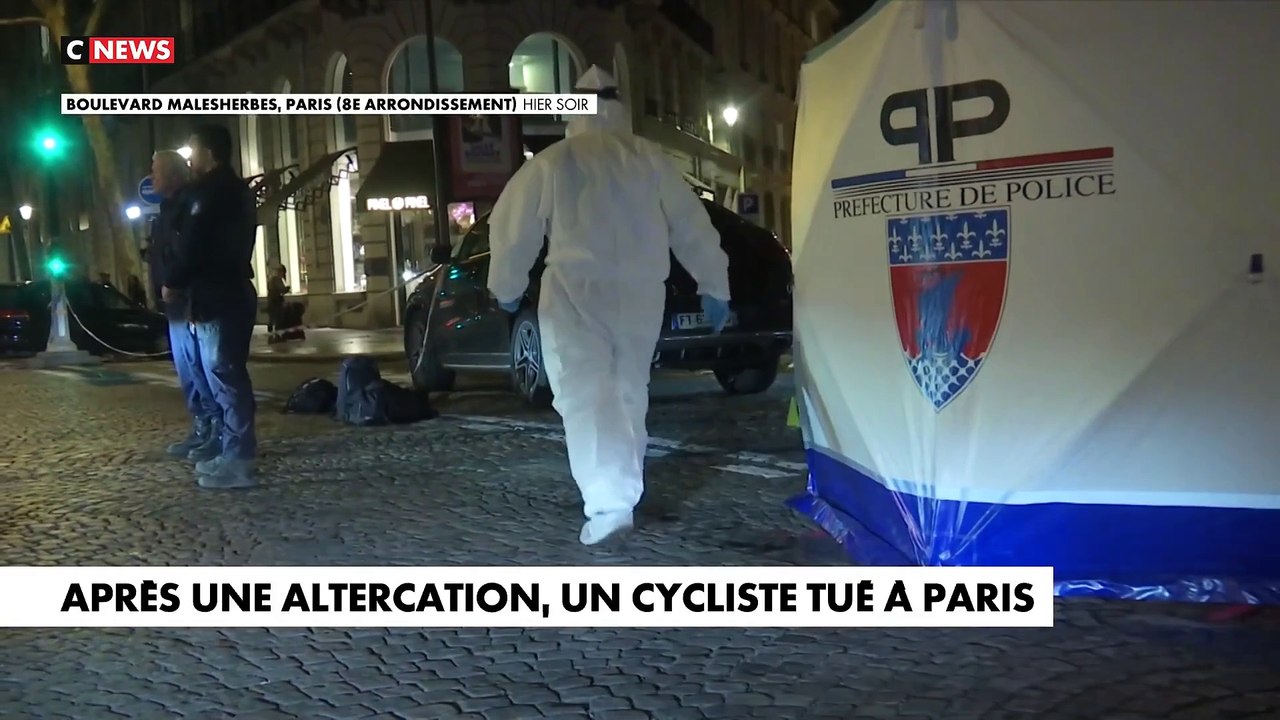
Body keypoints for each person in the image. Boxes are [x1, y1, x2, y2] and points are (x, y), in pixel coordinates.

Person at [486, 66, 732, 546]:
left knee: (585, 393)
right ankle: (621, 492)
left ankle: (610, 504)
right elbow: (691, 224)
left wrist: (507, 286)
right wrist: (714, 284)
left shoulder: (554, 162)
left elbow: (512, 229)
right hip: (642, 292)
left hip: (576, 290)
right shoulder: (649, 159)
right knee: (626, 392)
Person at [163, 124, 260, 489]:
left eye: (195, 150)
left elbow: (195, 244)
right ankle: (233, 450)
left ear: (210, 153)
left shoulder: (212, 193)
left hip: (218, 295)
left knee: (226, 376)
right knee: (224, 377)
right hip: (221, 293)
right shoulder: (229, 190)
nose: (192, 158)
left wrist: (173, 280)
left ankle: (239, 458)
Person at [148, 149, 223, 462]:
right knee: (187, 372)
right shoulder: (167, 210)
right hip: (174, 306)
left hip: (190, 301)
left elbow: (188, 253)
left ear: (174, 175)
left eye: (157, 171)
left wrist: (176, 284)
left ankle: (217, 430)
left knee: (203, 369)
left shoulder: (188, 206)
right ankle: (201, 425)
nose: (152, 177)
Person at [266, 265, 288, 341]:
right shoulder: (276, 280)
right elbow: (281, 289)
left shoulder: (273, 279)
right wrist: (286, 289)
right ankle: (276, 335)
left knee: (272, 318)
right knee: (278, 318)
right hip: (275, 301)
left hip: (272, 301)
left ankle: (272, 334)